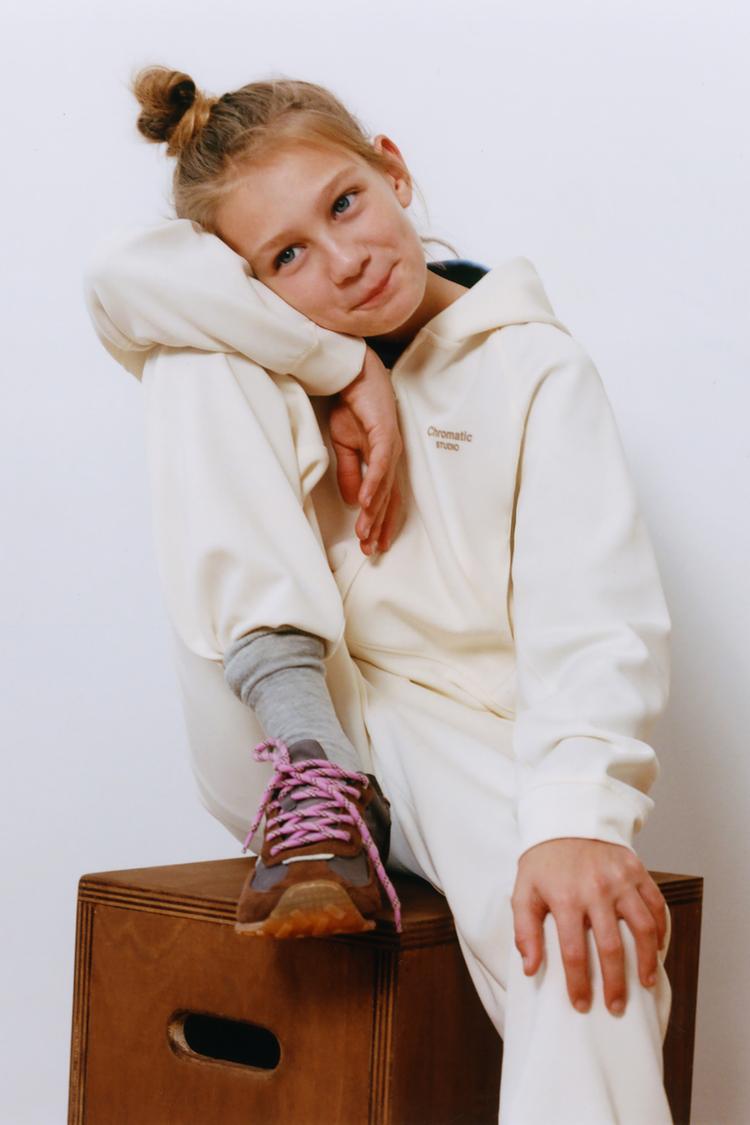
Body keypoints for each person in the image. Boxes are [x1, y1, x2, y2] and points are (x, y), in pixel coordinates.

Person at [83, 65, 675, 1123]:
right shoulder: (262, 355)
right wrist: (338, 368)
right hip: (277, 744)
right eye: (286, 257)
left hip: (460, 744)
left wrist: (580, 818)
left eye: (345, 203)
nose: (345, 260)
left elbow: (595, 619)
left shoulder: (534, 369)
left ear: (393, 171)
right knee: (192, 358)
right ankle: (315, 781)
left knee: (589, 942)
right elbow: (118, 278)